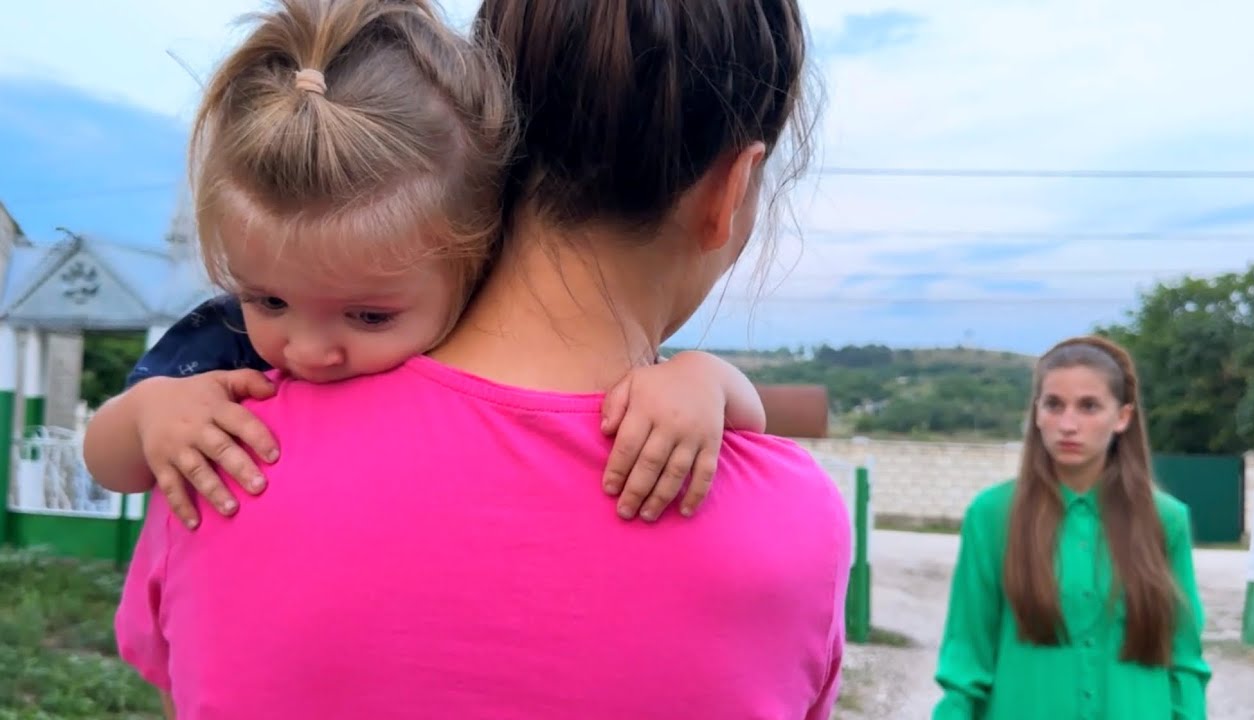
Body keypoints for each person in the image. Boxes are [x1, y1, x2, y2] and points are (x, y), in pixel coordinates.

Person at [109, 0, 852, 718]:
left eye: (367, 315)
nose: (309, 348)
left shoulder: (221, 459)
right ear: (731, 188)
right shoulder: (791, 522)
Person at [85, 0, 768, 528]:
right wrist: (152, 414)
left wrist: (698, 381)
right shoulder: (224, 344)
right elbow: (106, 462)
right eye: (269, 300)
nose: (310, 348)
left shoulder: (491, 329)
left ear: (475, 259)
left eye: (369, 314)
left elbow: (751, 419)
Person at [933, 335, 1211, 719]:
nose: (1068, 424)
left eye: (1089, 406)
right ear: (1036, 413)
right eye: (1054, 405)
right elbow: (966, 661)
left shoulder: (1166, 520)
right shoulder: (993, 516)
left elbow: (1184, 663)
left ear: (1122, 417)